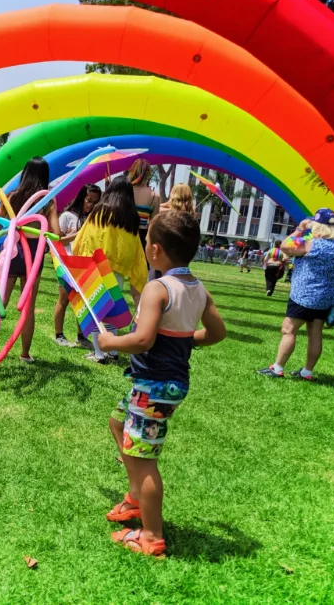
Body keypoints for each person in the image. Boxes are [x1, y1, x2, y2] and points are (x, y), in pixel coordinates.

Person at [97, 210, 226, 557]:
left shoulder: (158, 288)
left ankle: (151, 535)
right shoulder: (198, 289)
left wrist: (109, 343)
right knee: (117, 422)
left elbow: (142, 340)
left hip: (153, 387)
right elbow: (217, 332)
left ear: (154, 250)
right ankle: (136, 496)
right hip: (160, 385)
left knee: (145, 458)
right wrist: (185, 340)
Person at [0, 157, 61, 363]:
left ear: (24, 173)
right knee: (28, 306)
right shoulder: (47, 201)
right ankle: (25, 354)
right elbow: (56, 232)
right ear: (45, 176)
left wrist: (11, 230)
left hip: (10, 250)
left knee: (0, 301)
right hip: (32, 255)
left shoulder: (12, 196)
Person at [257, 209, 334, 380]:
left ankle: (278, 368)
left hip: (303, 296)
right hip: (325, 298)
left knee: (288, 330)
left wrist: (299, 229)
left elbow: (285, 247)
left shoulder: (313, 244)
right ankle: (307, 371)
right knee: (315, 335)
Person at [73, 177, 148, 363]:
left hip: (98, 267)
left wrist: (79, 255)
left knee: (97, 310)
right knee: (112, 311)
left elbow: (86, 237)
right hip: (118, 270)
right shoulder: (132, 216)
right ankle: (112, 352)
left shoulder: (100, 211)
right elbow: (135, 245)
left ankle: (98, 354)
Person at [54, 184, 102, 348]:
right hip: (66, 264)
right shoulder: (67, 216)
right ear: (81, 198)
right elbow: (57, 241)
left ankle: (81, 336)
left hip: (85, 265)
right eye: (89, 201)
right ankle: (58, 334)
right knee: (64, 299)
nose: (91, 205)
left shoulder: (94, 221)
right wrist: (78, 233)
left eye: (96, 202)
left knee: (83, 302)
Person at [128, 159, 160, 249]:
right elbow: (153, 224)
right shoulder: (154, 196)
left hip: (123, 232)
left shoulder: (124, 190)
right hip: (141, 237)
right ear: (148, 174)